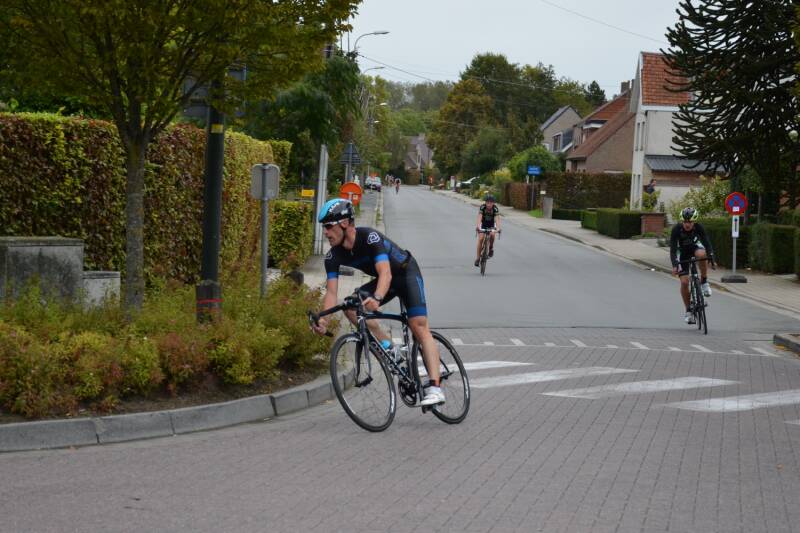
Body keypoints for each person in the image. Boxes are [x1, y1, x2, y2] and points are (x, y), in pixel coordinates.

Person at [311, 198, 445, 406]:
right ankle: (389, 347)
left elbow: (385, 273)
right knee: (351, 306)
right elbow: (331, 292)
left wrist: (378, 297)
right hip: (386, 281)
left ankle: (435, 388)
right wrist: (324, 320)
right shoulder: (333, 256)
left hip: (405, 273)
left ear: (344, 223)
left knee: (418, 326)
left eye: (328, 226)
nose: (325, 232)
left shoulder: (369, 237)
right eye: (324, 227)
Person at [670, 207, 716, 324]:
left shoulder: (699, 227)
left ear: (694, 221)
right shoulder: (676, 229)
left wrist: (711, 258)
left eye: (690, 222)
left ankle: (704, 281)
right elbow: (673, 250)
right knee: (684, 282)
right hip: (682, 253)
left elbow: (707, 243)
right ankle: (688, 311)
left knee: (702, 254)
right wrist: (675, 265)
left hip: (695, 248)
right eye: (685, 221)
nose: (687, 224)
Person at [474, 194, 501, 267]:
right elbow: (479, 217)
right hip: (483, 224)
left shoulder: (495, 208)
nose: (489, 204)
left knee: (492, 234)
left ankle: (491, 247)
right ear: (485, 202)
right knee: (481, 239)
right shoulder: (482, 207)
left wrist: (498, 228)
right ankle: (478, 258)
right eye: (487, 202)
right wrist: (478, 226)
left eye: (491, 203)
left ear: (493, 203)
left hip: (491, 224)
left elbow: (497, 219)